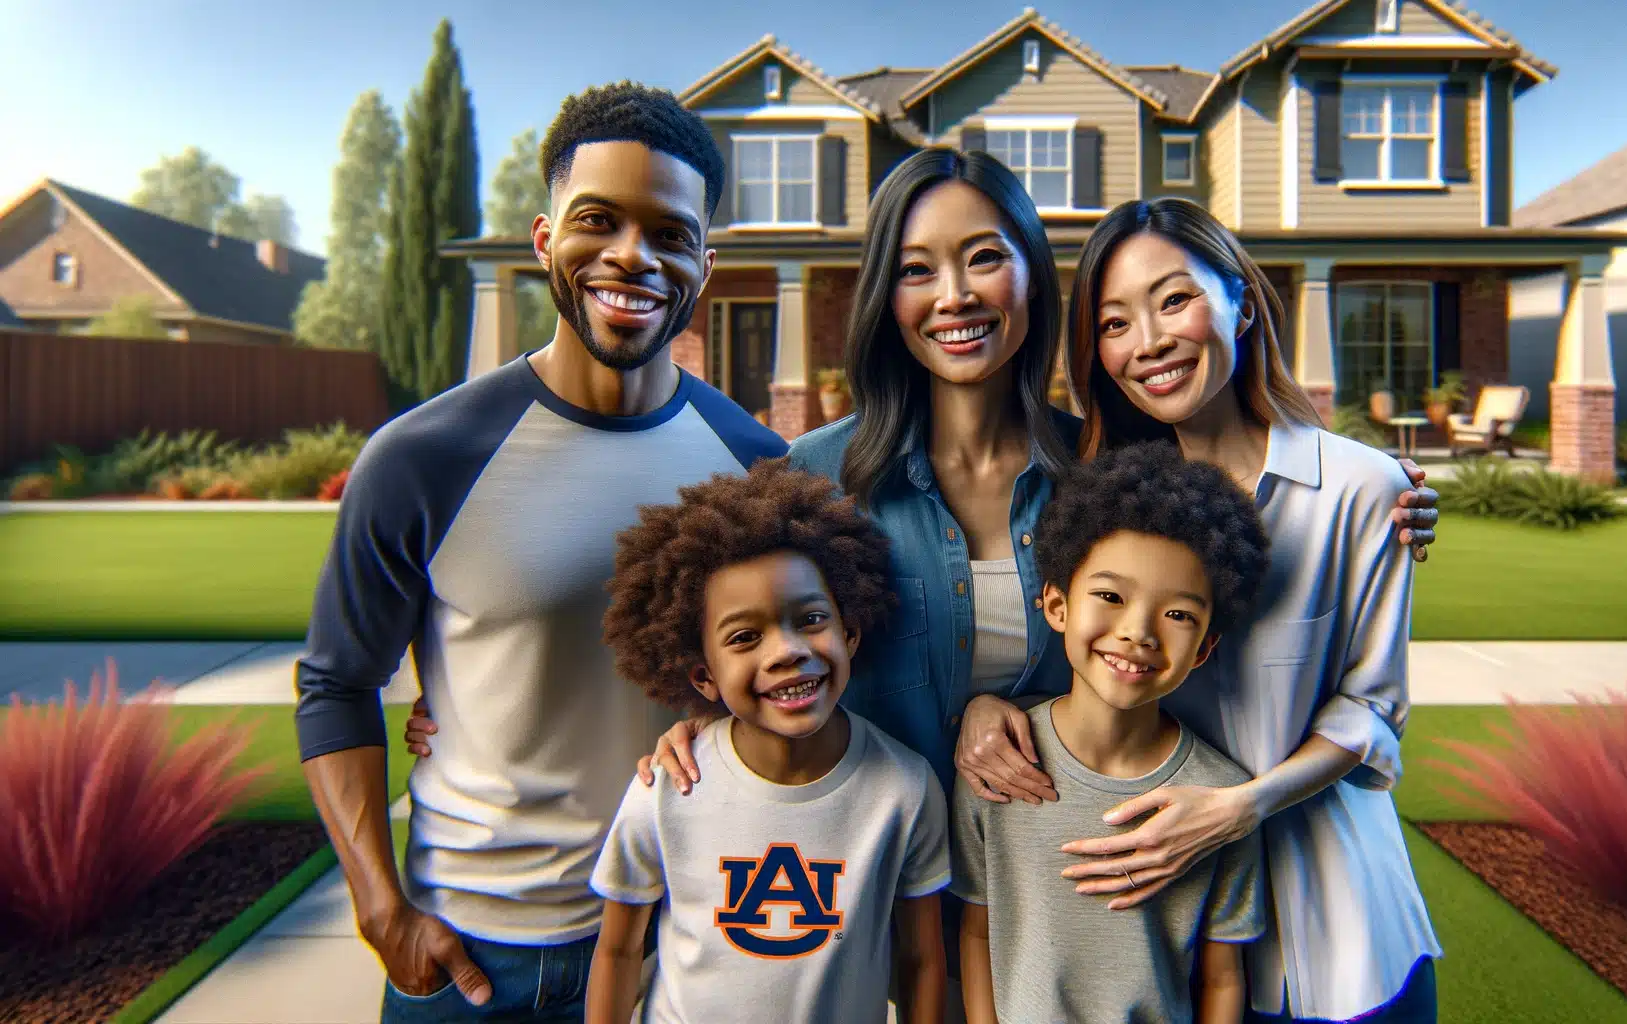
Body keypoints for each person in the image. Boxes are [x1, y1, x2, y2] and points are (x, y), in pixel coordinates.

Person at [405, 148, 1442, 1015]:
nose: (952, 296)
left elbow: (1196, 579)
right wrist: (693, 722)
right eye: (915, 268)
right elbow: (745, 640)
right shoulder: (809, 481)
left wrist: (1386, 497)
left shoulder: (1114, 482)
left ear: (1032, 277)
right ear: (882, 297)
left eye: (983, 258)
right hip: (862, 905)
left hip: (1062, 907)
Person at [293, 82, 786, 1024]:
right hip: (473, 962)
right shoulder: (424, 458)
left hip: (679, 950)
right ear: (543, 239)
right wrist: (379, 905)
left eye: (670, 234)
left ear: (705, 266)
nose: (632, 256)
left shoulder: (756, 468)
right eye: (597, 220)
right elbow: (335, 685)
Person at [1001, 196, 1442, 1023]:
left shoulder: (1364, 490)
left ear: (1241, 301)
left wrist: (1241, 807)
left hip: (1338, 935)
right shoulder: (1103, 506)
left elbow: (1373, 710)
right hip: (1168, 943)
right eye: (1114, 322)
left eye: (1175, 299)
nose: (1151, 342)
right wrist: (991, 709)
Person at [585, 459, 949, 1024]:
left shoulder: (904, 789)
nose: (785, 652)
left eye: (810, 619)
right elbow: (618, 950)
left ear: (849, 633)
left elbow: (922, 959)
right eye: (745, 637)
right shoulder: (665, 790)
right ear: (703, 676)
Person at [954, 442, 1272, 1024]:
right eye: (1110, 596)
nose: (1138, 633)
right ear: (1056, 604)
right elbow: (977, 932)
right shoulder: (996, 764)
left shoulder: (1221, 797)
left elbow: (1224, 976)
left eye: (1178, 614)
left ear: (1204, 648)